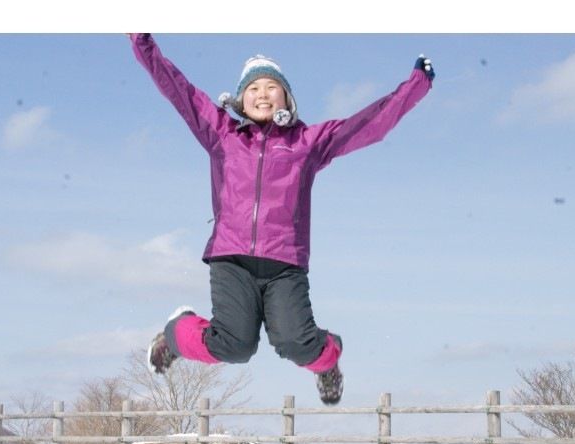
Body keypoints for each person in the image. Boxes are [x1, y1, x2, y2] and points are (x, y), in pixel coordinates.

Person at [129, 33, 434, 404]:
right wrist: (142, 40)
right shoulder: (223, 135)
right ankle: (177, 334)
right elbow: (178, 90)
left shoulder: (307, 142)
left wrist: (416, 85)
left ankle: (327, 363)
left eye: (271, 87)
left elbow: (370, 125)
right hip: (232, 259)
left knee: (298, 344)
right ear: (241, 99)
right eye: (253, 87)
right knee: (235, 346)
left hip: (284, 264)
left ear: (286, 98)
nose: (262, 94)